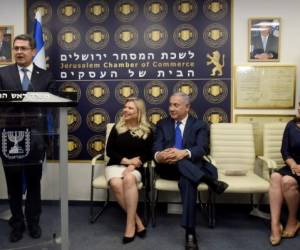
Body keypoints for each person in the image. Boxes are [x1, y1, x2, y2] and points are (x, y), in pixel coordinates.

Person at [152, 92, 228, 250]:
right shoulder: (162, 124)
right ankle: (210, 181)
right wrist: (160, 156)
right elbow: (156, 147)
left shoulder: (199, 125)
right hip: (168, 167)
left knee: (188, 180)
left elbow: (202, 148)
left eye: (176, 105)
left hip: (191, 167)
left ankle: (190, 232)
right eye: (170, 104)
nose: (171, 108)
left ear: (187, 107)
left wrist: (184, 153)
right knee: (180, 164)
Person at [0, 34, 55, 242]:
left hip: (36, 138)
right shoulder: (2, 74)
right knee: (13, 183)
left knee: (34, 182)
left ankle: (33, 222)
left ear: (33, 51)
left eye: (24, 48)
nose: (19, 52)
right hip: (9, 136)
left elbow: (52, 104)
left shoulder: (46, 76)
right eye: (16, 48)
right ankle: (17, 223)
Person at [105, 97, 153, 244]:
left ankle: (129, 226)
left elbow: (148, 153)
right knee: (115, 183)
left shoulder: (147, 130)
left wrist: (132, 166)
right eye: (125, 107)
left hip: (136, 168)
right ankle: (137, 221)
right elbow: (109, 151)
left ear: (139, 112)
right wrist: (126, 161)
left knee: (129, 179)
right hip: (115, 165)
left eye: (130, 108)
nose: (125, 110)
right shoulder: (117, 127)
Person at [269, 113, 300, 246]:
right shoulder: (291, 125)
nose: (299, 108)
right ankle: (275, 224)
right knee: (275, 177)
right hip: (292, 165)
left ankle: (293, 221)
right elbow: (284, 151)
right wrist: (293, 164)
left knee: (287, 181)